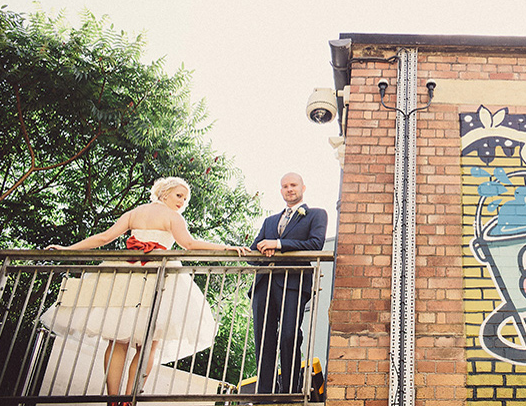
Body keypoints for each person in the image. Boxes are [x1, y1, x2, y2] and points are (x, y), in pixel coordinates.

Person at [41, 177, 249, 403]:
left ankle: (113, 399)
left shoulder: (134, 213)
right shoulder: (173, 217)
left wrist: (68, 249)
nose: (182, 202)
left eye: (185, 199)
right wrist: (226, 248)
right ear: (164, 193)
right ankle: (129, 398)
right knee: (150, 342)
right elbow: (189, 244)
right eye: (179, 195)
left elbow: (104, 238)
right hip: (159, 277)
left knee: (117, 340)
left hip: (126, 274)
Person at [249, 172, 327, 394]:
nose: (289, 189)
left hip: (294, 283)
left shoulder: (316, 214)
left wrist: (279, 244)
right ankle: (264, 392)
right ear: (281, 190)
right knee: (263, 339)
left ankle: (290, 390)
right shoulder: (269, 221)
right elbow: (253, 252)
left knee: (289, 335)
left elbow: (315, 244)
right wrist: (264, 250)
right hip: (264, 284)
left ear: (303, 188)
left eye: (293, 185)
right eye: (285, 186)